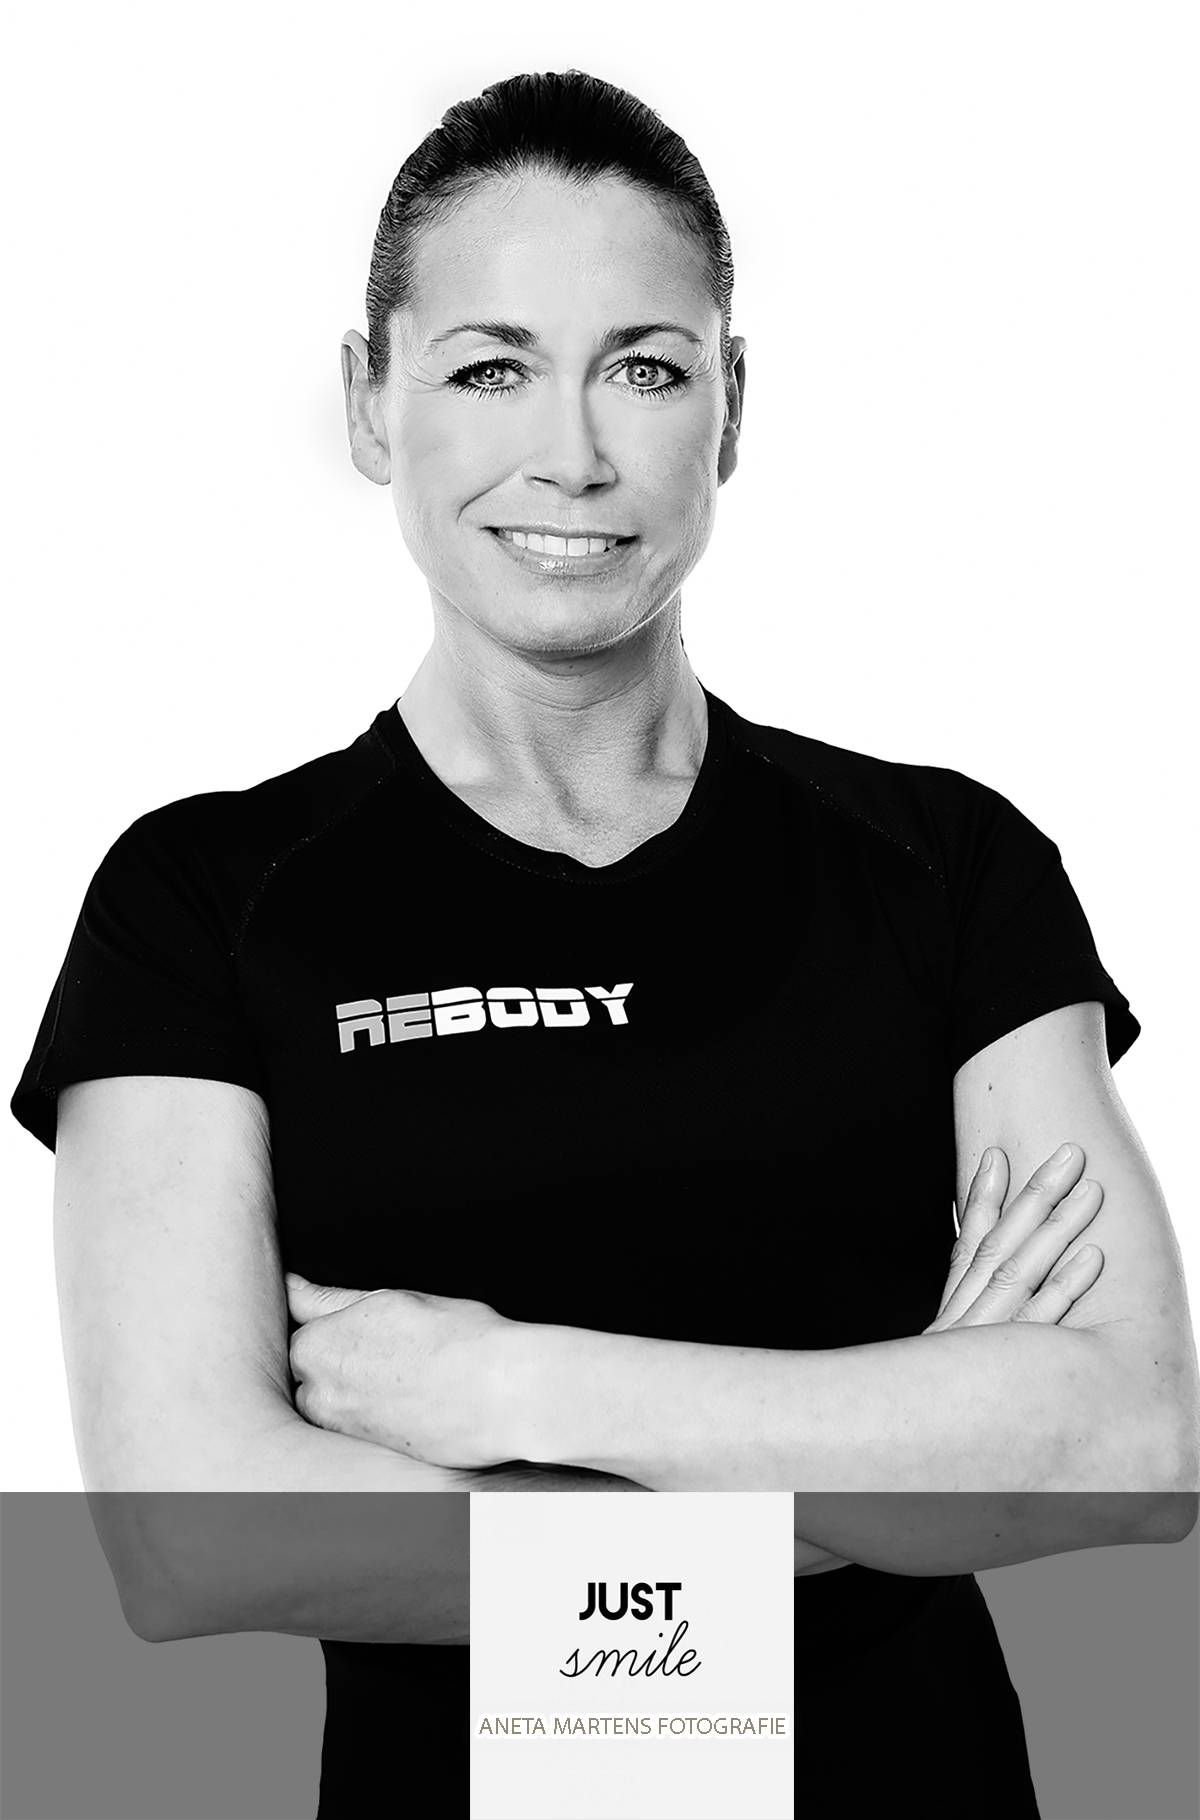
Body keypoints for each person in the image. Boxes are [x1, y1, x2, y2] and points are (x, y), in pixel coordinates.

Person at [11, 67, 1197, 1820]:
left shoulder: (944, 867)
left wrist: (512, 1383)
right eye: (489, 368)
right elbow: (199, 1541)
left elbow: (1127, 1448)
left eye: (645, 367)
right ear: (368, 401)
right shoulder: (203, 899)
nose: (572, 453)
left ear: (732, 408)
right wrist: (878, 1489)